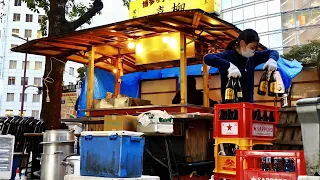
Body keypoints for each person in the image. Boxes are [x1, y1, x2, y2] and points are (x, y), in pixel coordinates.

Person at [204, 29, 279, 103]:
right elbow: (208, 58)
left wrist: (272, 59)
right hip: (230, 107)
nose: (253, 51)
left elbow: (273, 52)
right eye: (252, 47)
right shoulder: (227, 55)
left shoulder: (252, 57)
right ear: (243, 44)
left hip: (248, 106)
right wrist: (228, 66)